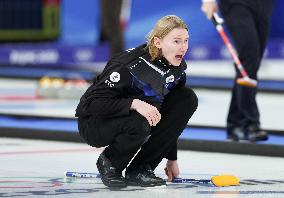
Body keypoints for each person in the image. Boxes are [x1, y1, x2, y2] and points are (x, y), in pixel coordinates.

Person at [75, 15, 198, 188]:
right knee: (141, 120)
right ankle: (110, 163)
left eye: (186, 41)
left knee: (186, 99)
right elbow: (89, 105)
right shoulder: (127, 65)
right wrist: (134, 103)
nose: (183, 47)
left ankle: (141, 169)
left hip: (136, 119)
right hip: (94, 124)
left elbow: (171, 117)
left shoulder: (177, 69)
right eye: (176, 41)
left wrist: (171, 157)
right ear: (157, 42)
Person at [201, 0, 274, 142]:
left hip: (265, 4)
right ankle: (249, 123)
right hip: (236, 3)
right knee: (250, 56)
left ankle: (235, 123)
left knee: (253, 62)